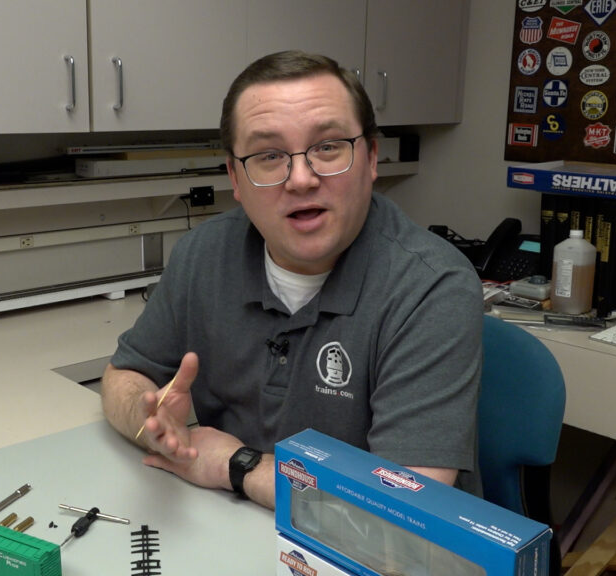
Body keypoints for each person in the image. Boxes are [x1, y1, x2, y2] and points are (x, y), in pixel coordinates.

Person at [101, 50, 483, 510]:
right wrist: (155, 427)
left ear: (372, 158)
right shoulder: (202, 255)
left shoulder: (432, 286)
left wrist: (235, 466)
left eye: (327, 147)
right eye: (268, 155)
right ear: (235, 179)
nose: (301, 179)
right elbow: (124, 375)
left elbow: (403, 509)